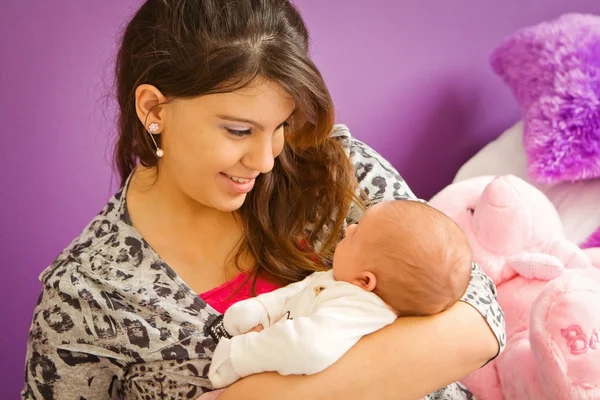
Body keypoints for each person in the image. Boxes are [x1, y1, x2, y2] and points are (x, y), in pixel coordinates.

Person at [22, 0, 505, 399]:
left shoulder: (336, 171)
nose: (267, 159)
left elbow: (479, 322)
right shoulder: (89, 293)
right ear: (153, 110)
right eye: (238, 130)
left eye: (280, 127)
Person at [208, 199, 473, 389]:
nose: (349, 229)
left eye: (356, 236)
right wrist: (262, 309)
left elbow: (307, 347)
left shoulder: (357, 310)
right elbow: (301, 291)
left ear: (366, 280)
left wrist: (241, 354)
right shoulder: (343, 282)